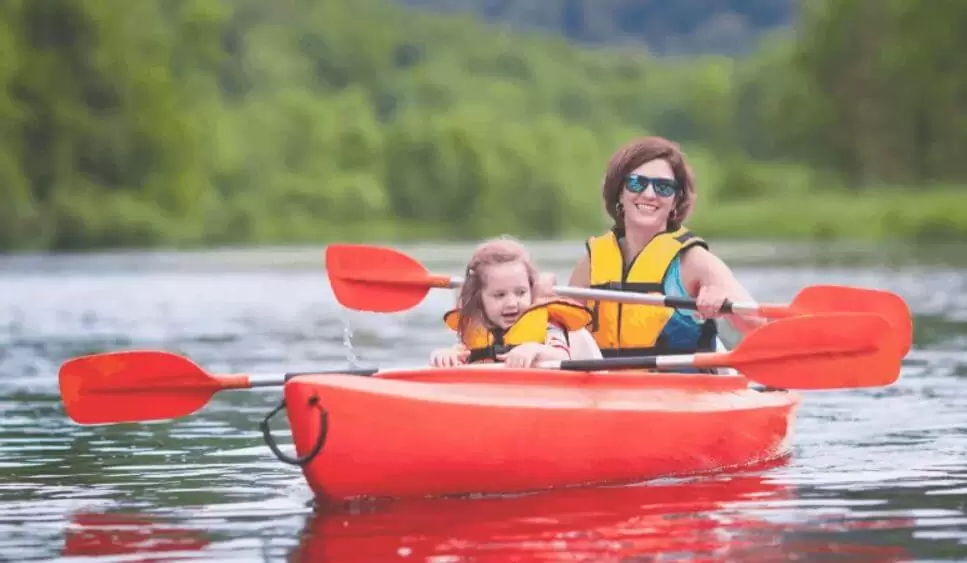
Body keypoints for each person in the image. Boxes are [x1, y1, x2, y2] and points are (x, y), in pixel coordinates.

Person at [567, 136, 765, 360]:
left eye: (663, 187)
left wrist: (725, 303)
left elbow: (757, 324)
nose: (649, 194)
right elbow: (560, 328)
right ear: (619, 192)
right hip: (605, 388)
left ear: (676, 200)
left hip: (681, 388)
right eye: (636, 183)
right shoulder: (592, 263)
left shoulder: (694, 261)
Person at [430, 237, 599, 368]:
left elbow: (561, 356)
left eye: (520, 293)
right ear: (479, 298)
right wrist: (445, 355)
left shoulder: (548, 328)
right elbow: (461, 353)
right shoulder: (474, 331)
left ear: (531, 290)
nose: (512, 303)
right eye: (499, 295)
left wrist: (535, 349)